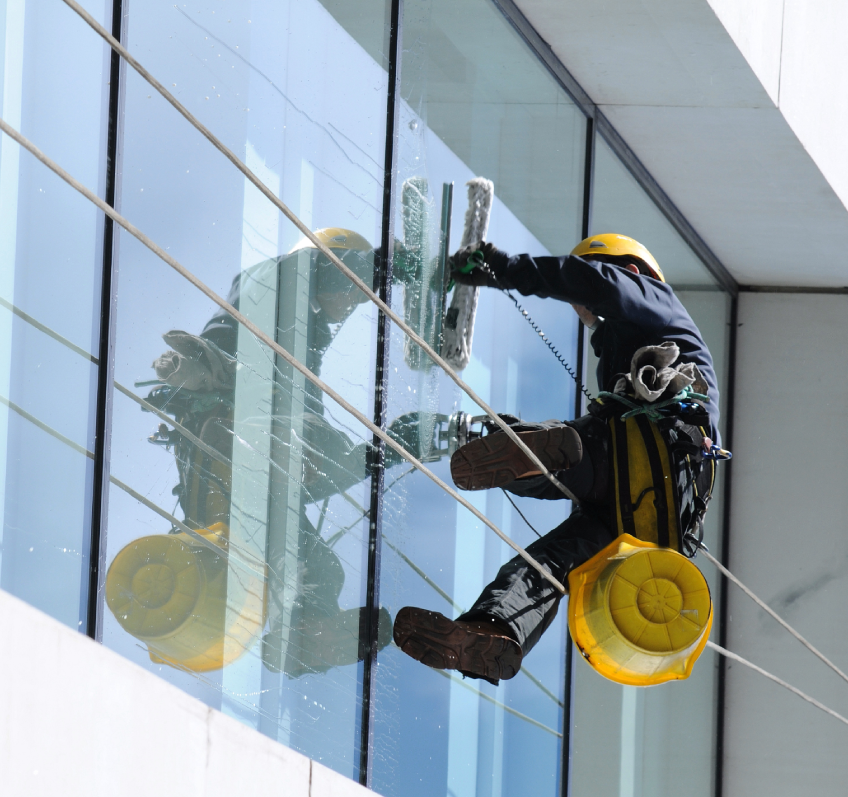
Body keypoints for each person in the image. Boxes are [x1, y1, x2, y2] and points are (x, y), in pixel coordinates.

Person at [392, 233, 721, 684]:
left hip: (647, 443)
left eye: (581, 308)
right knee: (547, 563)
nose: (581, 314)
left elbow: (590, 281)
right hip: (648, 520)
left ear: (629, 269)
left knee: (577, 451)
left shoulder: (652, 296)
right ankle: (493, 632)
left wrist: (500, 266)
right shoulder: (631, 335)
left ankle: (529, 449)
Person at [134, 228, 423, 677]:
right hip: (232, 425)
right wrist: (393, 265)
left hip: (233, 478)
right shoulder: (275, 282)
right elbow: (312, 270)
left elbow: (318, 467)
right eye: (352, 292)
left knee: (316, 558)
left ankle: (305, 634)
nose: (352, 303)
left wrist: (391, 449)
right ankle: (308, 630)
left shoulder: (302, 334)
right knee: (320, 458)